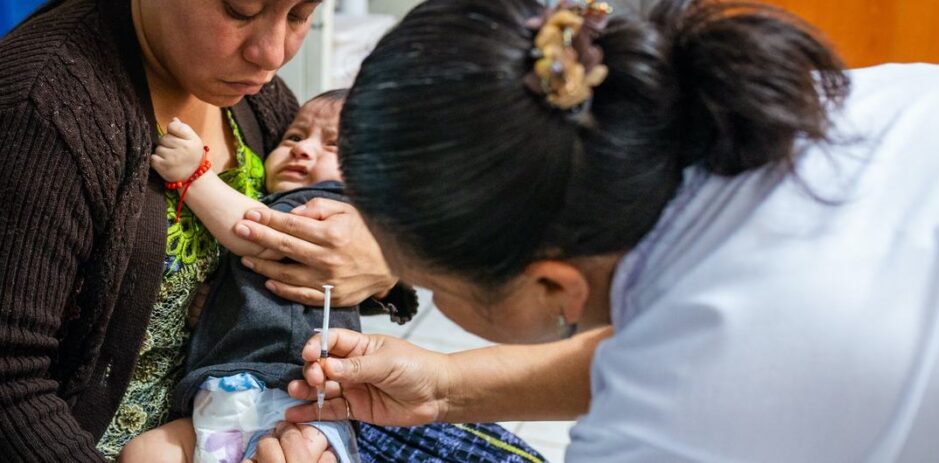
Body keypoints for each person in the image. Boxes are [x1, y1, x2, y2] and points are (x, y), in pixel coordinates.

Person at [282, 0, 939, 461]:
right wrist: (444, 386)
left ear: (552, 284)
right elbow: (691, 336)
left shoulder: (684, 413)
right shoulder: (806, 119)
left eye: (434, 287)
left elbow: (712, 361)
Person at [0, 0, 537, 461]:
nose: (273, 54)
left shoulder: (253, 97)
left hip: (280, 407)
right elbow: (12, 386)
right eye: (240, 10)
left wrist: (379, 260)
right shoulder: (42, 111)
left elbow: (326, 229)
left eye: (302, 13)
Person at [120, 90, 367, 463]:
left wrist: (194, 176)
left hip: (297, 394)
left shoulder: (334, 205)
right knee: (143, 452)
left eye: (334, 145)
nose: (302, 150)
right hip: (222, 390)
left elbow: (261, 237)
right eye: (294, 137)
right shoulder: (269, 197)